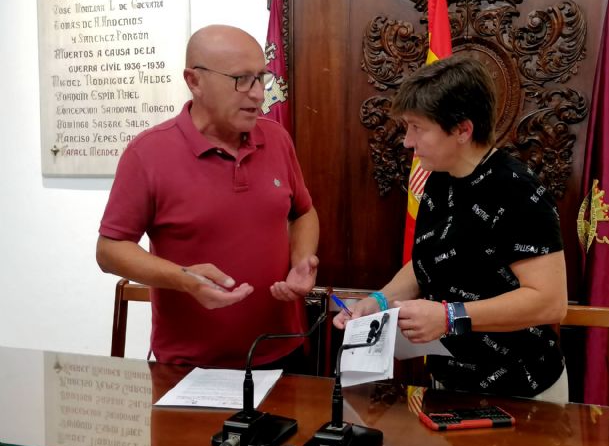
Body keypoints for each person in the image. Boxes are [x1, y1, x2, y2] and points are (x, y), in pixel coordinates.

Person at [334, 55, 568, 402]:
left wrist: (450, 316)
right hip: (450, 382)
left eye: (418, 127)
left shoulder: (518, 189)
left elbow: (549, 302)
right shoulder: (438, 180)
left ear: (462, 129)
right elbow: (429, 259)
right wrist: (379, 300)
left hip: (521, 388)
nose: (406, 141)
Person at [97, 25, 319, 370]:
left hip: (283, 353)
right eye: (242, 79)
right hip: (189, 368)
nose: (258, 94)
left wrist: (301, 259)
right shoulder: (148, 153)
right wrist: (182, 278)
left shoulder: (276, 139)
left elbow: (303, 212)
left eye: (261, 77)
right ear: (194, 81)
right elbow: (110, 251)